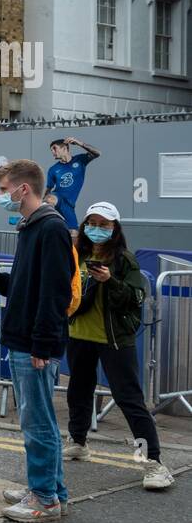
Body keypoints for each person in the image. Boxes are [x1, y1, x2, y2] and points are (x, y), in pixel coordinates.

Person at [0, 159, 75, 523]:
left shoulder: (50, 229)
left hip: (33, 343)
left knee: (36, 422)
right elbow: (28, 284)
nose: (2, 197)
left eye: (4, 190)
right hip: (25, 338)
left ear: (23, 189)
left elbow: (54, 292)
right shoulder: (32, 227)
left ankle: (44, 499)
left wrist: (43, 345)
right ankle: (50, 489)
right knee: (38, 418)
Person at [62, 202, 174, 490]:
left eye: (104, 224)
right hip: (79, 335)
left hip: (113, 339)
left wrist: (110, 281)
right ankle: (78, 441)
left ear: (115, 228)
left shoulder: (124, 259)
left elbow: (135, 296)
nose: (97, 229)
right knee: (79, 390)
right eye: (93, 223)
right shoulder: (77, 254)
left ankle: (151, 462)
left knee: (128, 399)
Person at [46, 136, 101, 234]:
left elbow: (97, 153)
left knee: (74, 233)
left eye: (54, 148)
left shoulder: (80, 160)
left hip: (69, 205)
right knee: (50, 198)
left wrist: (79, 143)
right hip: (57, 197)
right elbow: (48, 190)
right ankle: (41, 221)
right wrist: (41, 202)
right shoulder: (53, 169)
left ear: (64, 148)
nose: (52, 152)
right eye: (51, 150)